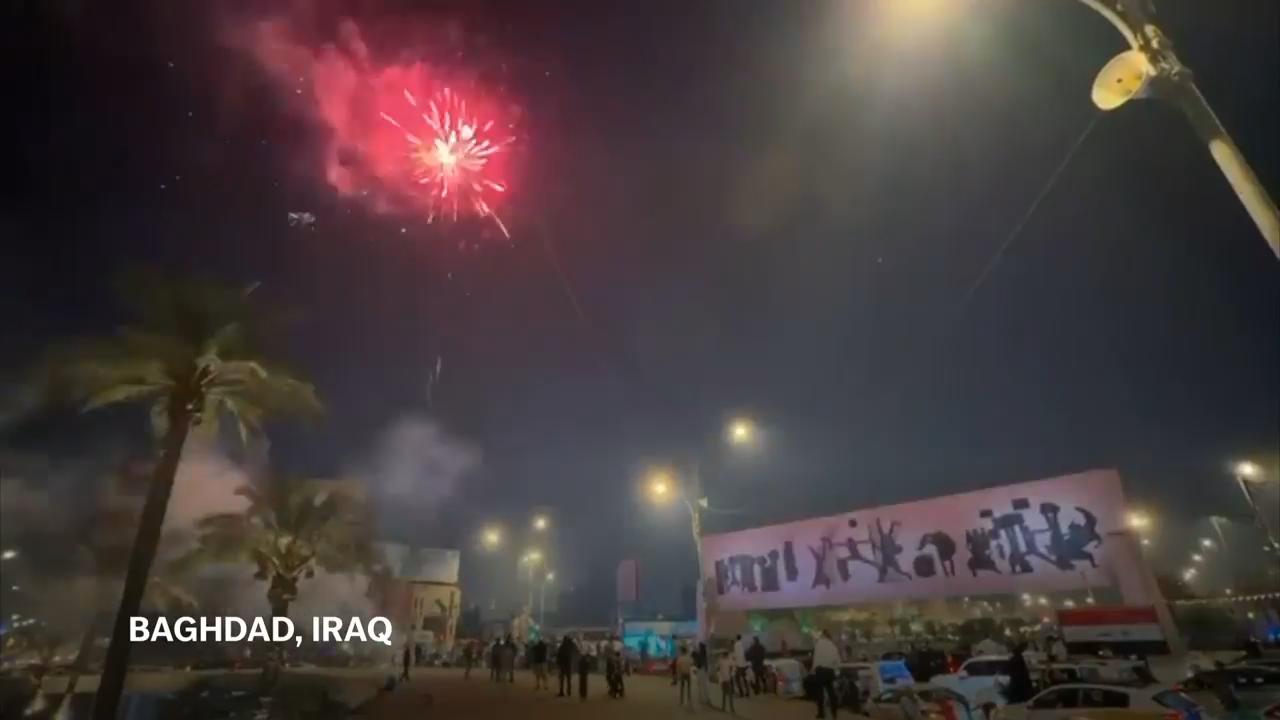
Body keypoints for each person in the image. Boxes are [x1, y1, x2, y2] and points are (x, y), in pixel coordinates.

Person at [812, 629, 841, 719]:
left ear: (823, 635)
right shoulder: (833, 646)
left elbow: (816, 658)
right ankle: (834, 714)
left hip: (820, 670)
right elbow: (837, 661)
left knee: (820, 692)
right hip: (830, 671)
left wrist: (813, 669)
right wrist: (836, 671)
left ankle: (821, 713)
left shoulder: (819, 644)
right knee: (831, 691)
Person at [693, 642, 711, 706]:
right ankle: (706, 699)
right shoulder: (704, 655)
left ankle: (702, 699)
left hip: (700, 671)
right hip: (704, 671)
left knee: (700, 685)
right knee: (705, 686)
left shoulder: (698, 655)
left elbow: (697, 664)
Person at [577, 636, 592, 701]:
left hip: (581, 660)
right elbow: (590, 650)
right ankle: (584, 693)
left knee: (581, 678)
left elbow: (578, 650)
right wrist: (587, 653)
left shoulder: (580, 643)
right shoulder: (588, 643)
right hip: (585, 659)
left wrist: (582, 652)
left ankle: (581, 692)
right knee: (585, 677)